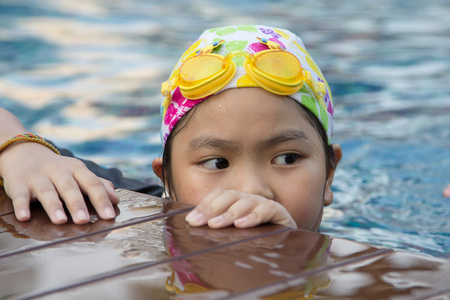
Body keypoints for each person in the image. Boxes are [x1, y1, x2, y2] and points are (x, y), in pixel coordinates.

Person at [1, 24, 343, 230]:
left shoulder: (364, 260)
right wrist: (22, 152)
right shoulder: (130, 200)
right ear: (167, 181)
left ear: (329, 174)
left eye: (287, 158)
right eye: (217, 163)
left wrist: (289, 259)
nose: (251, 190)